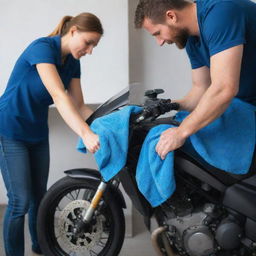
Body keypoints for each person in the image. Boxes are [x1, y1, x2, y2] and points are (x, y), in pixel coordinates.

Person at [0, 12, 103, 256]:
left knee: (40, 197)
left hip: (36, 131)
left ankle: (40, 247)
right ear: (74, 30)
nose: (90, 50)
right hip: (10, 129)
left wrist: (108, 124)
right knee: (20, 201)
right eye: (88, 42)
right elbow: (58, 95)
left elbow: (79, 105)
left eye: (94, 46)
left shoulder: (73, 62)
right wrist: (85, 133)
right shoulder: (42, 48)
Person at [134, 0, 256, 160]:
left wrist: (181, 131)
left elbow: (224, 88)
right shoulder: (191, 39)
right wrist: (170, 105)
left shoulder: (220, 12)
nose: (160, 42)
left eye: (157, 33)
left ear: (171, 16)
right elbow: (201, 89)